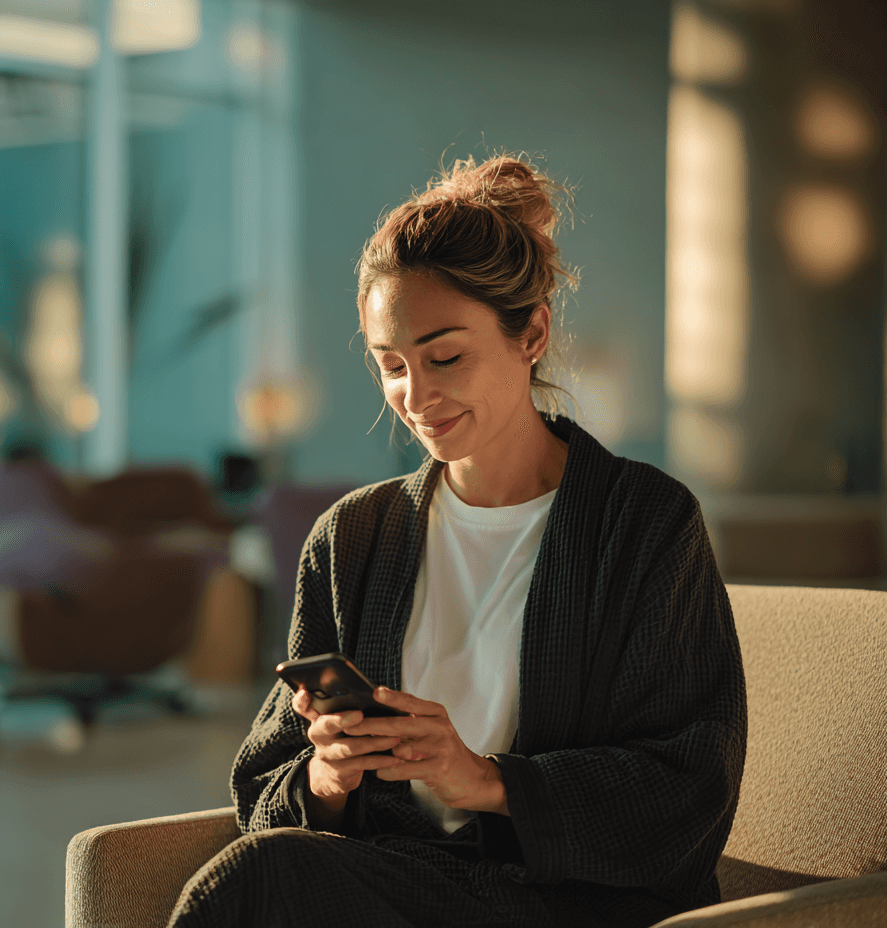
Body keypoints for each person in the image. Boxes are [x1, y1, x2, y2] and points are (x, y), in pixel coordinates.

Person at [168, 155, 747, 928]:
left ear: (531, 333)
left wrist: (486, 780)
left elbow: (690, 785)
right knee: (264, 872)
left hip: (569, 906)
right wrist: (330, 777)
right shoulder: (353, 539)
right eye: (391, 367)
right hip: (401, 885)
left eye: (445, 357)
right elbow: (265, 787)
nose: (416, 396)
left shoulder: (644, 524)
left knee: (261, 881)